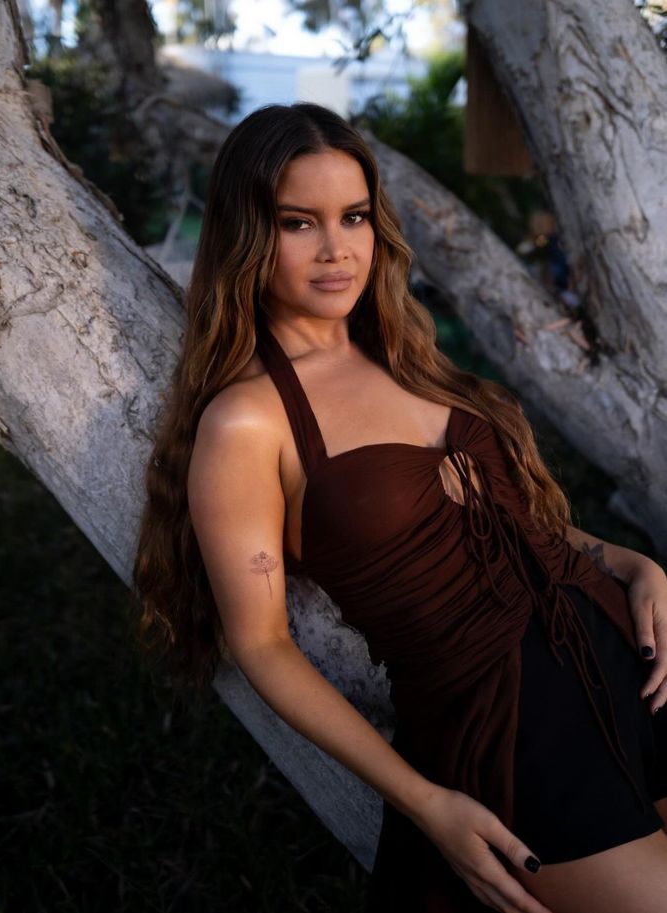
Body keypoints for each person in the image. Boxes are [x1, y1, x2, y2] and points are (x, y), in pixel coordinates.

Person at [132, 102, 667, 912]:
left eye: (351, 216)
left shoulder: (409, 358)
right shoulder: (248, 420)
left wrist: (629, 562)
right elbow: (263, 643)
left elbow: (508, 525)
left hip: (627, 659)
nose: (335, 247)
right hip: (510, 729)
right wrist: (425, 801)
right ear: (247, 233)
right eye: (297, 222)